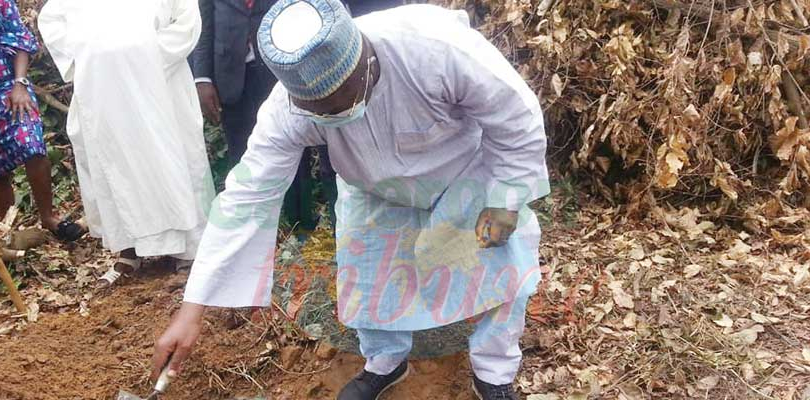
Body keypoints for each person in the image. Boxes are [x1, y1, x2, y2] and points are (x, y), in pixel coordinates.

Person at [153, 1, 549, 399]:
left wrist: (505, 201)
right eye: (317, 110)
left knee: (501, 266)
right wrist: (194, 308)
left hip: (464, 174)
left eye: (339, 103)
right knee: (369, 273)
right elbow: (246, 197)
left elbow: (517, 119)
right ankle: (385, 363)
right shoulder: (288, 108)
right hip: (372, 189)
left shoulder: (435, 49)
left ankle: (494, 374)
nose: (331, 114)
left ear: (365, 64)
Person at [38, 0, 216, 286]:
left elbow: (186, 22)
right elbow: (51, 18)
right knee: (117, 168)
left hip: (160, 86)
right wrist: (91, 55)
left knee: (172, 160)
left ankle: (188, 251)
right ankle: (129, 251)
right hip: (102, 91)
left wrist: (141, 56)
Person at [193, 0, 403, 233]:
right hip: (231, 75)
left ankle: (303, 224)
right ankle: (256, 232)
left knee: (296, 151)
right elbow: (204, 25)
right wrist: (203, 78)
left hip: (282, 68)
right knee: (243, 155)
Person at [0, 0, 86, 241]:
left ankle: (48, 218)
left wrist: (20, 83)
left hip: (9, 88)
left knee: (33, 148)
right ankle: (9, 232)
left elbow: (19, 38)